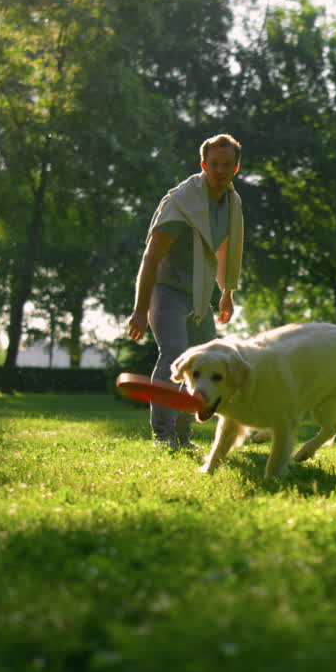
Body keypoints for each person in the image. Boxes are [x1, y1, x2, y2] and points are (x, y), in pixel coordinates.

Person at [128, 133, 245, 450]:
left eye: (227, 165)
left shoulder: (230, 203)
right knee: (174, 357)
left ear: (235, 168)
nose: (220, 170)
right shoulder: (182, 203)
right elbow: (151, 257)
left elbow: (221, 250)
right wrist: (140, 309)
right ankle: (162, 435)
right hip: (165, 292)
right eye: (214, 164)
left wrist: (226, 292)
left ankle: (182, 436)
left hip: (200, 298)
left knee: (204, 363)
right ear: (204, 165)